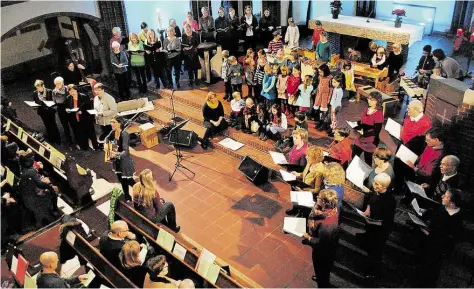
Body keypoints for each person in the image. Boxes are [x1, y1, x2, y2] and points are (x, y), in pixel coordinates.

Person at [415, 188, 464, 288]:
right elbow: (435, 219)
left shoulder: (456, 220)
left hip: (438, 248)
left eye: (445, 196)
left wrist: (429, 234)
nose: (442, 197)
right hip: (430, 240)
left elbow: (448, 239)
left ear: (452, 203)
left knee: (432, 268)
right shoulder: (443, 208)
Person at [357, 173, 396, 279]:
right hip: (373, 224)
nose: (374, 185)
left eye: (377, 184)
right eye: (374, 182)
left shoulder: (390, 200)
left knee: (376, 251)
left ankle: (372, 272)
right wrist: (367, 210)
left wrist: (372, 220)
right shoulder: (376, 192)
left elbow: (387, 219)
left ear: (385, 187)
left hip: (381, 229)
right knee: (371, 248)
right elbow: (371, 202)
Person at [302, 189, 340, 288]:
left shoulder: (327, 224)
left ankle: (323, 283)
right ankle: (321, 278)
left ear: (323, 202)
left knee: (321, 269)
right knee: (322, 270)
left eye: (318, 197)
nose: (316, 198)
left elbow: (321, 243)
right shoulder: (332, 209)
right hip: (328, 246)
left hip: (323, 252)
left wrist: (309, 238)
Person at [18, 152, 60, 228]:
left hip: (27, 194)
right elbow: (39, 184)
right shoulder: (31, 171)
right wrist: (48, 185)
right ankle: (54, 210)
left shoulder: (23, 168)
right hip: (34, 195)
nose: (33, 160)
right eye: (31, 159)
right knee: (54, 189)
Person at [106, 115, 135, 201]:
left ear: (120, 123)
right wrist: (106, 145)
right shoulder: (113, 132)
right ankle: (127, 196)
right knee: (121, 179)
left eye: (113, 122)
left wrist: (115, 154)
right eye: (111, 122)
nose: (111, 124)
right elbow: (107, 138)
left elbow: (126, 151)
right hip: (117, 161)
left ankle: (142, 191)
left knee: (129, 180)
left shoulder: (124, 134)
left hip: (125, 162)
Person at [352, 91, 384, 165]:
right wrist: (356, 123)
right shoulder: (367, 109)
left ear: (377, 101)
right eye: (368, 98)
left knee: (367, 160)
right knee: (354, 155)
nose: (369, 101)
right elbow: (362, 121)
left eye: (371, 99)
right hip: (361, 138)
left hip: (370, 141)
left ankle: (366, 175)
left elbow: (376, 131)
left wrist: (365, 133)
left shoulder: (379, 114)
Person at [66, 85, 99, 151]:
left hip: (86, 118)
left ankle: (96, 147)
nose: (72, 92)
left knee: (91, 133)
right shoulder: (68, 98)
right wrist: (67, 110)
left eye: (73, 90)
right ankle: (85, 147)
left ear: (76, 90)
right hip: (76, 119)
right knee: (81, 134)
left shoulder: (83, 96)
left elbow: (89, 107)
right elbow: (68, 107)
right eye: (70, 91)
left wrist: (82, 112)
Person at [32, 80, 61, 145]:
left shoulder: (49, 91)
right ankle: (51, 138)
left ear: (43, 86)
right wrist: (35, 106)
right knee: (47, 125)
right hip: (42, 112)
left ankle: (57, 139)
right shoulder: (35, 93)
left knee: (53, 125)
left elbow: (54, 101)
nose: (38, 89)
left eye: (39, 87)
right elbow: (35, 102)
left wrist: (50, 104)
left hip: (50, 111)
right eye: (37, 88)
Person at [52, 76, 73, 146]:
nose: (57, 85)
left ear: (62, 83)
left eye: (59, 83)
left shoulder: (67, 88)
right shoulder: (54, 91)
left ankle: (77, 138)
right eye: (56, 84)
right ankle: (69, 140)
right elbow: (54, 101)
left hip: (69, 107)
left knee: (73, 123)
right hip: (61, 109)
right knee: (65, 126)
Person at [313, 64, 332, 129]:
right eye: (319, 72)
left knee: (325, 112)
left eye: (321, 72)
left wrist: (329, 99)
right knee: (320, 111)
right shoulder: (320, 77)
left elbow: (331, 90)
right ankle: (320, 121)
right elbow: (319, 85)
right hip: (319, 95)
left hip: (325, 96)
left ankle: (324, 124)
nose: (320, 73)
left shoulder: (330, 78)